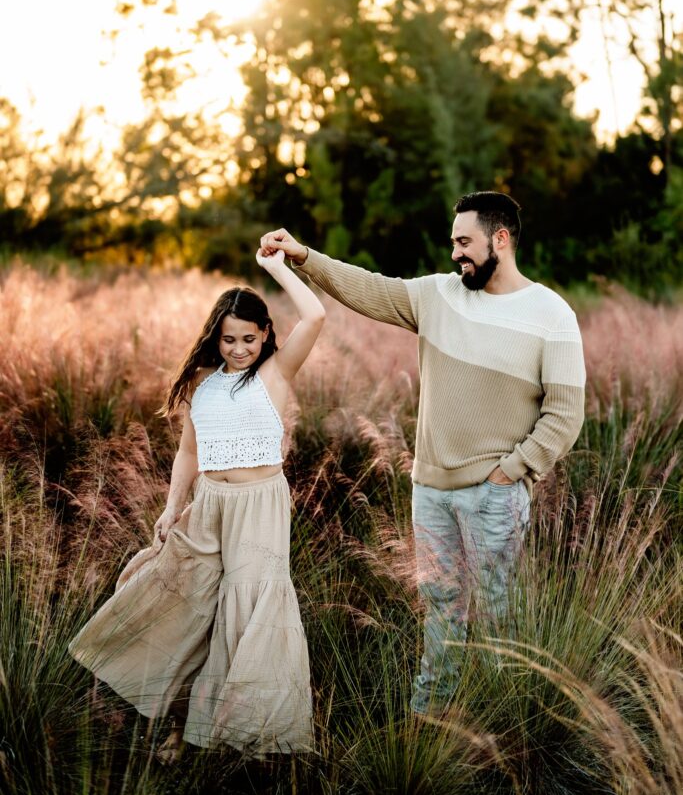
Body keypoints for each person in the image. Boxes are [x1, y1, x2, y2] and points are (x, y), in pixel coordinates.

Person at [260, 191, 586, 718]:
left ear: (500, 239)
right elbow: (369, 289)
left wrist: (512, 471)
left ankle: (503, 729)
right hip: (430, 493)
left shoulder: (551, 313)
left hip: (494, 495)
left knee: (498, 616)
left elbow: (566, 413)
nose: (456, 253)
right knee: (440, 614)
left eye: (465, 242)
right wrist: (304, 256)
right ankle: (431, 721)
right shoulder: (438, 296)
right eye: (453, 242)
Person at [69, 248, 325, 761]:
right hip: (209, 504)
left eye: (249, 339)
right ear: (215, 337)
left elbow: (315, 314)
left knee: (249, 606)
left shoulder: (275, 373)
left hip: (259, 507)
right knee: (190, 601)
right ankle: (184, 722)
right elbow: (188, 453)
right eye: (228, 339)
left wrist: (275, 265)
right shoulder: (204, 388)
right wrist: (170, 508)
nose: (238, 349)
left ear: (266, 334)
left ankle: (248, 734)